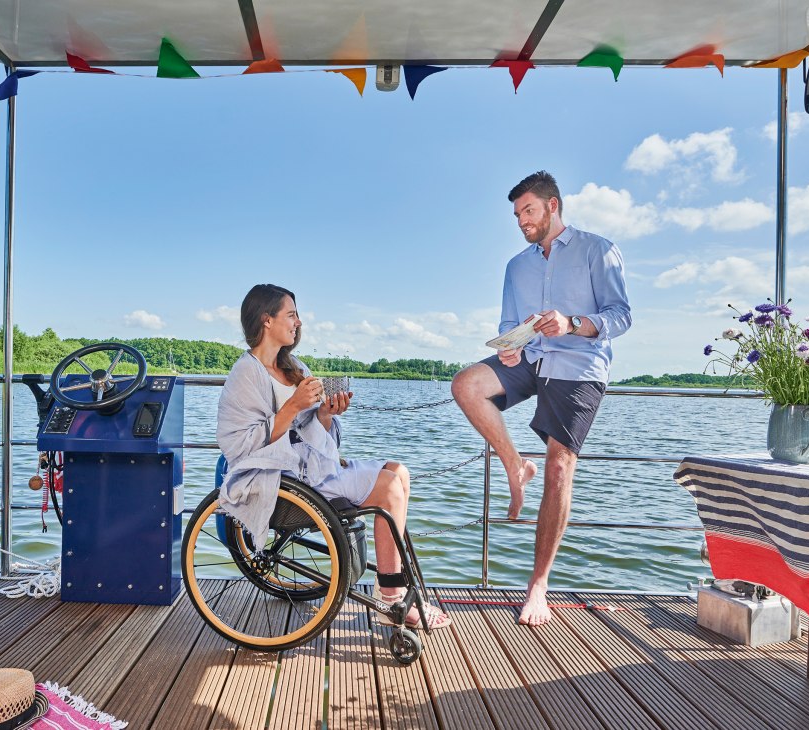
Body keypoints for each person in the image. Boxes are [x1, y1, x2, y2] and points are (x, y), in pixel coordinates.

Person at [451, 171, 631, 626]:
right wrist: (509, 346)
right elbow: (511, 322)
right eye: (516, 214)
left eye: (527, 210)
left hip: (579, 365)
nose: (521, 221)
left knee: (558, 467)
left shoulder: (598, 250)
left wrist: (571, 323)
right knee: (466, 385)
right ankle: (514, 465)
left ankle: (538, 585)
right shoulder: (516, 266)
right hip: (530, 360)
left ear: (552, 206)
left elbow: (620, 316)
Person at [217, 283, 450, 629]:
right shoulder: (245, 374)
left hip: (312, 470)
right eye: (291, 314)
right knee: (388, 488)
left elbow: (313, 431)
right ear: (266, 320)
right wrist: (293, 405)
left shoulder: (294, 365)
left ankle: (396, 581)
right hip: (282, 482)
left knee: (400, 472)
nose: (298, 322)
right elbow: (238, 446)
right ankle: (390, 597)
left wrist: (327, 413)